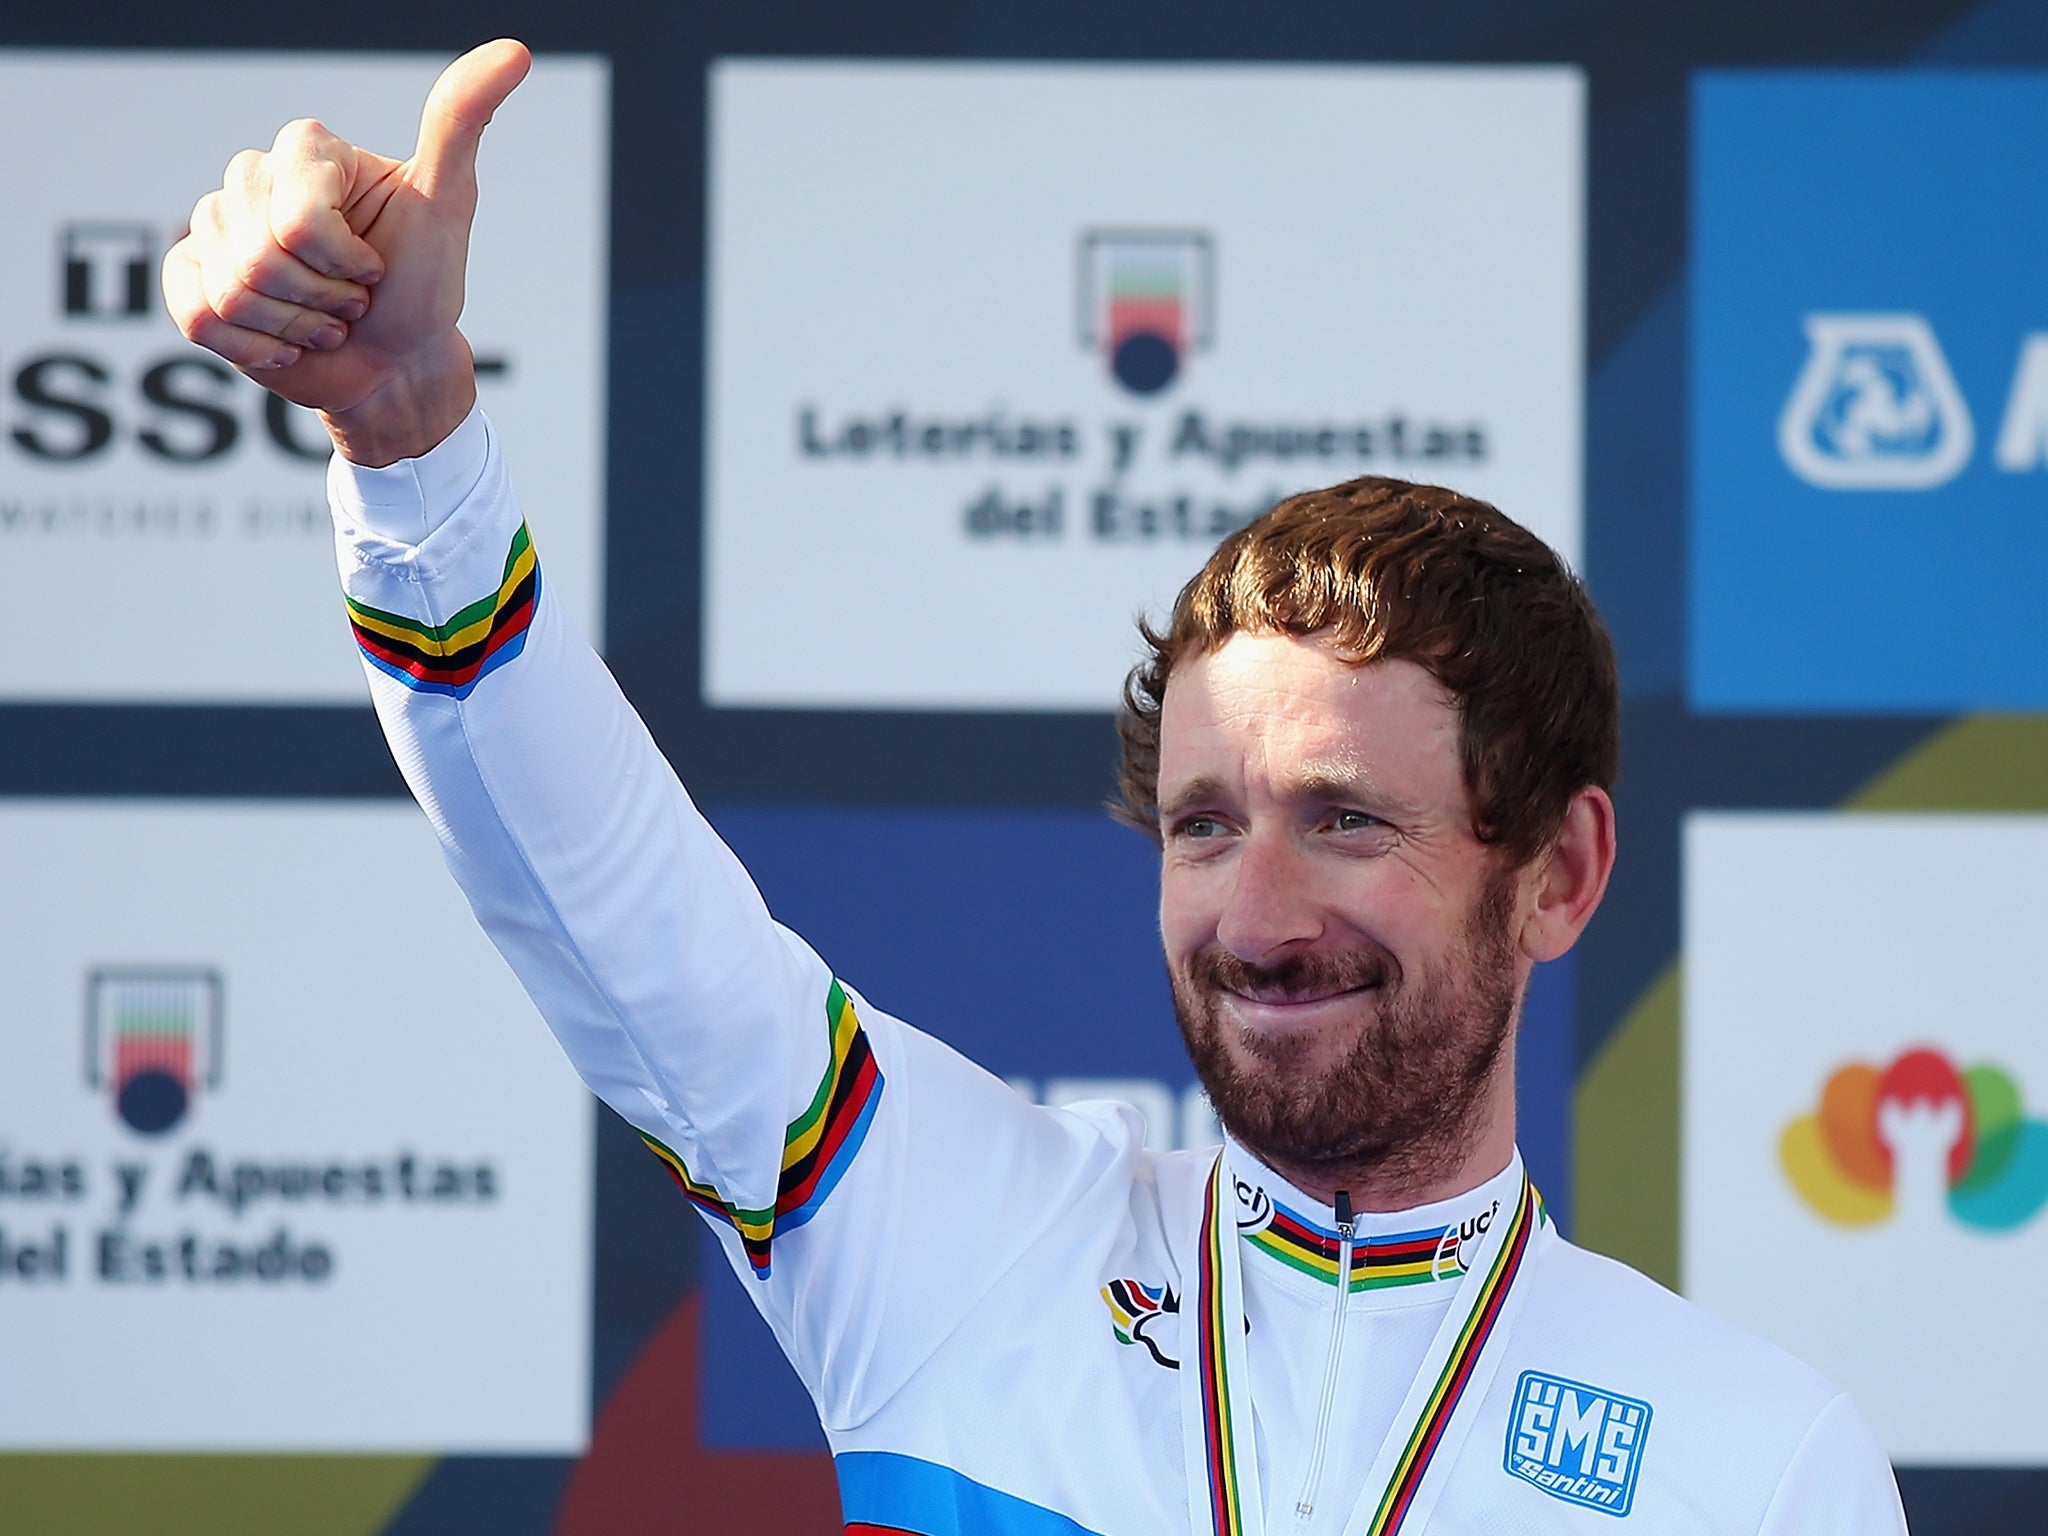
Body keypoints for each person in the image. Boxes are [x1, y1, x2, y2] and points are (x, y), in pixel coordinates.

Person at [164, 40, 1911, 1535]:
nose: (1260, 915)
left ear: (1559, 870)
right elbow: (605, 899)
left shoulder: (1754, 1462)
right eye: (1206, 825)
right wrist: (409, 441)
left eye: (1348, 818)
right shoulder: (955, 1240)